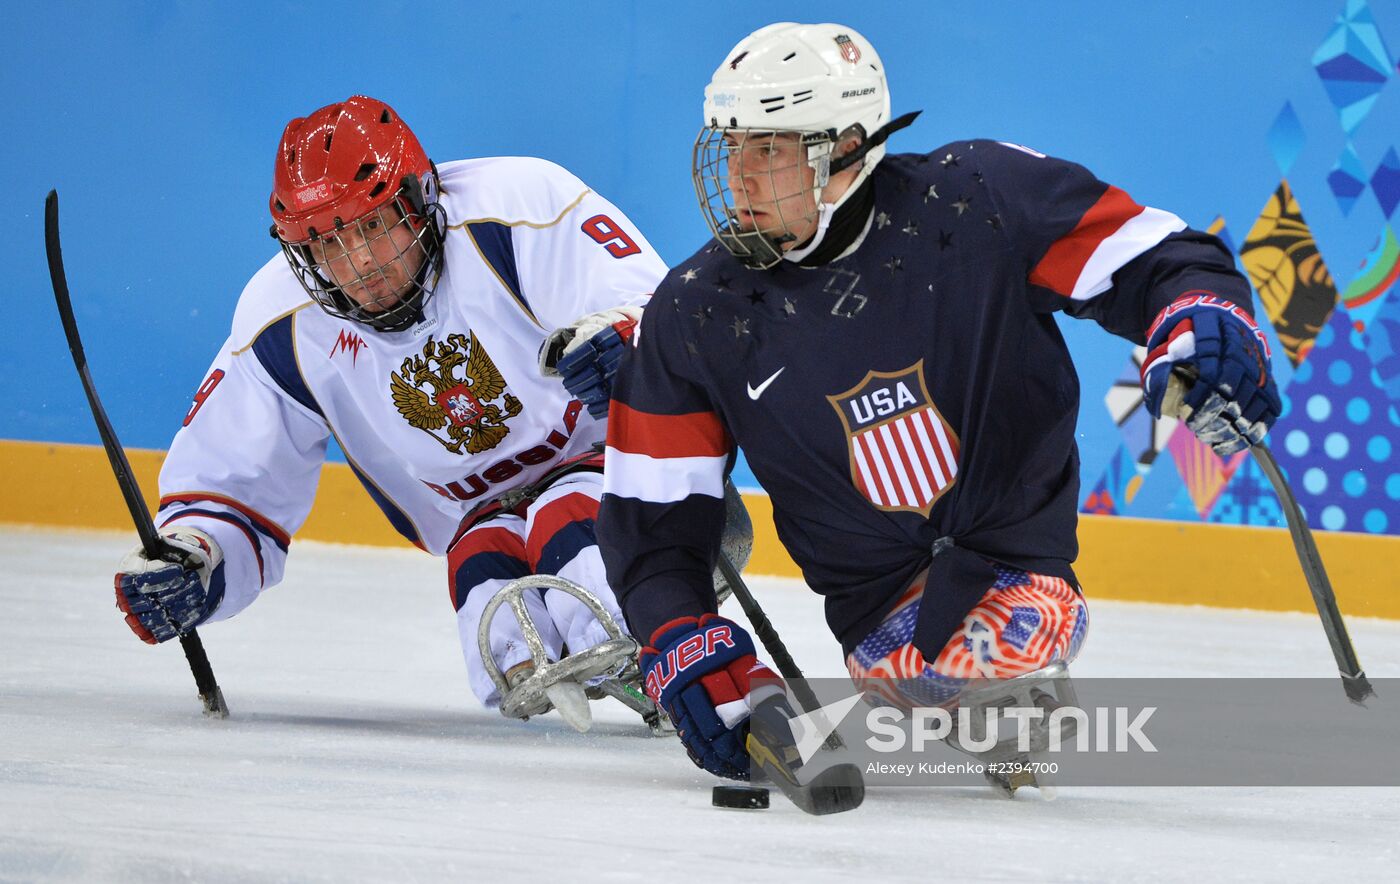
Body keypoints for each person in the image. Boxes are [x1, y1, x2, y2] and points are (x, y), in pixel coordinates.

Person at [584, 23, 1280, 780]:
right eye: (731, 147)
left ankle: (998, 685)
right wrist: (682, 643)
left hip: (1019, 569)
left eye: (769, 150)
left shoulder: (976, 198)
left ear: (845, 149)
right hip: (879, 622)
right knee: (940, 668)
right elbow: (653, 526)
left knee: (1011, 644)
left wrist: (1203, 324)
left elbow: (1157, 260)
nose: (739, 177)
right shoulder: (694, 310)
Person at [113, 95, 667, 717]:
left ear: (421, 197)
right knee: (487, 582)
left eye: (374, 227)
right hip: (480, 516)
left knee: (566, 518)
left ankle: (671, 648)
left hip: (618, 469)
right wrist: (196, 561)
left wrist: (632, 339)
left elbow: (662, 316)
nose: (361, 266)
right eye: (328, 246)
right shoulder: (279, 323)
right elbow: (231, 492)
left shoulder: (520, 207)